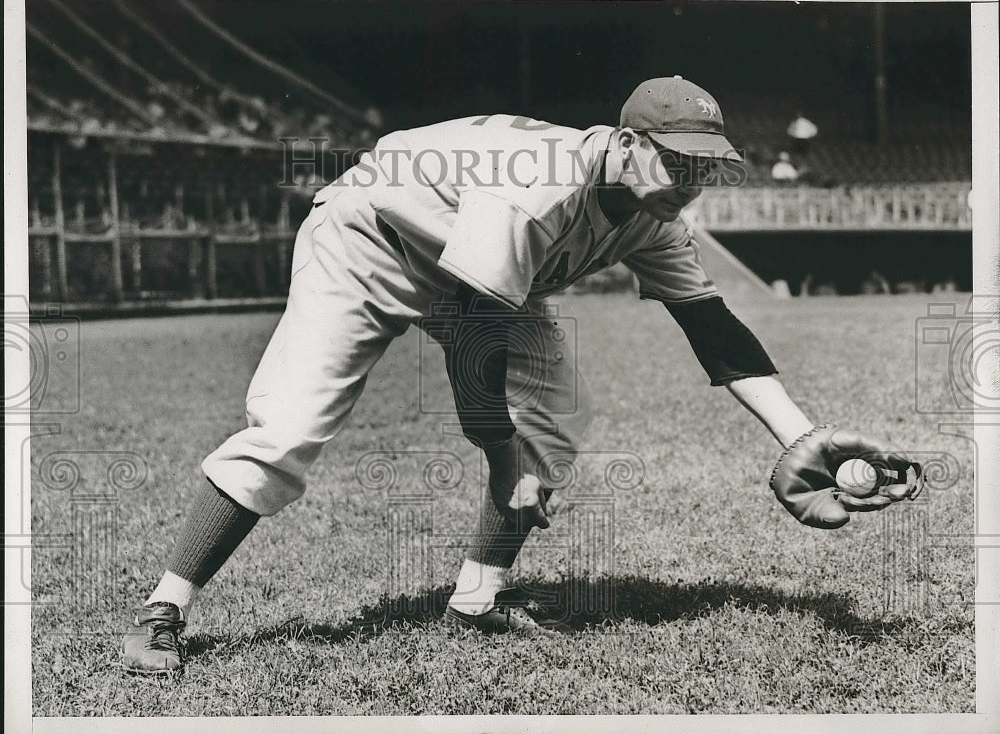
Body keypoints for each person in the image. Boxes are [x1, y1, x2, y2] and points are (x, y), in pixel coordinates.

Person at [122, 76, 922, 674]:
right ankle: (165, 606)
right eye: (677, 158)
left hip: (475, 270)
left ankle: (480, 594)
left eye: (705, 166)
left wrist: (800, 435)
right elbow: (478, 332)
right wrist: (502, 459)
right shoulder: (540, 187)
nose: (690, 178)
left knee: (558, 415)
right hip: (370, 239)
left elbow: (711, 326)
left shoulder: (654, 213)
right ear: (625, 141)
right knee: (290, 427)